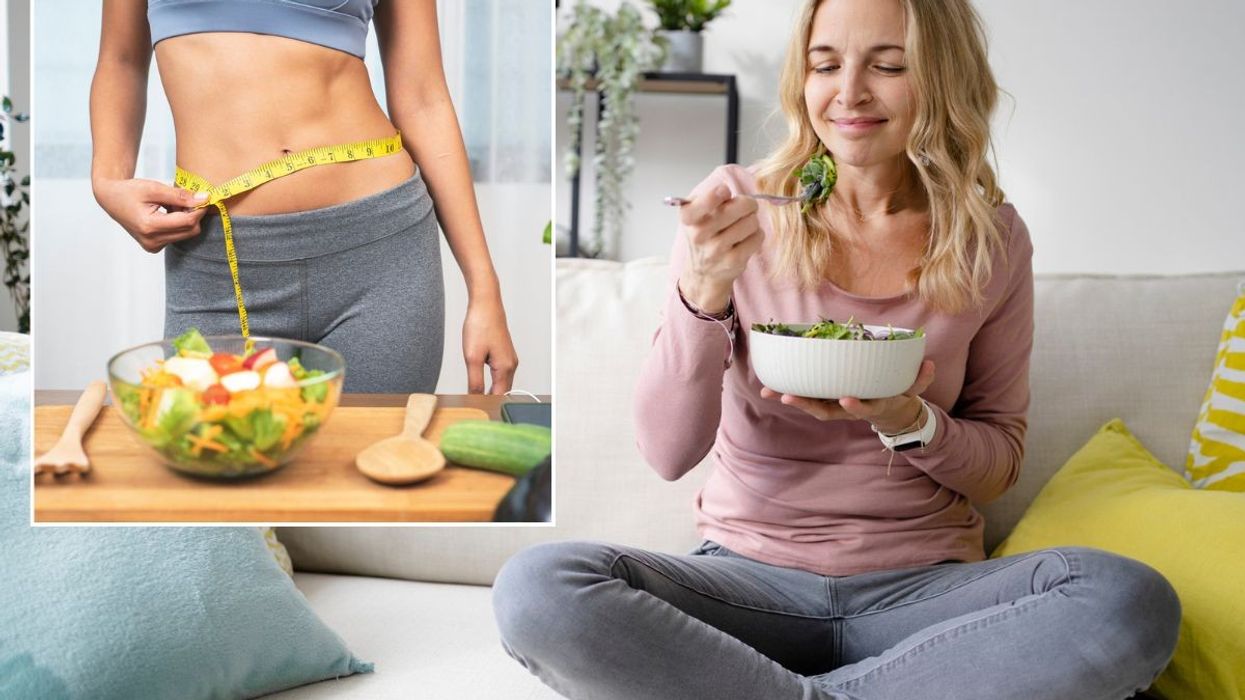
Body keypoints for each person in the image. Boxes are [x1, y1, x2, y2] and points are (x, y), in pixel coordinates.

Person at [493, 0, 1181, 697]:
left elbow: (997, 465)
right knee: (537, 587)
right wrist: (702, 290)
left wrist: (907, 419)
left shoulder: (991, 238)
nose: (848, 93)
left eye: (886, 66)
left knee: (1127, 599)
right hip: (744, 583)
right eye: (825, 65)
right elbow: (667, 454)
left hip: (925, 593)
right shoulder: (738, 208)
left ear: (941, 78)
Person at [90, 0, 518, 394]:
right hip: (217, 259)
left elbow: (423, 97)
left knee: (373, 467)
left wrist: (484, 288)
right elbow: (121, 60)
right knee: (216, 458)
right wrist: (107, 181)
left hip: (380, 252)